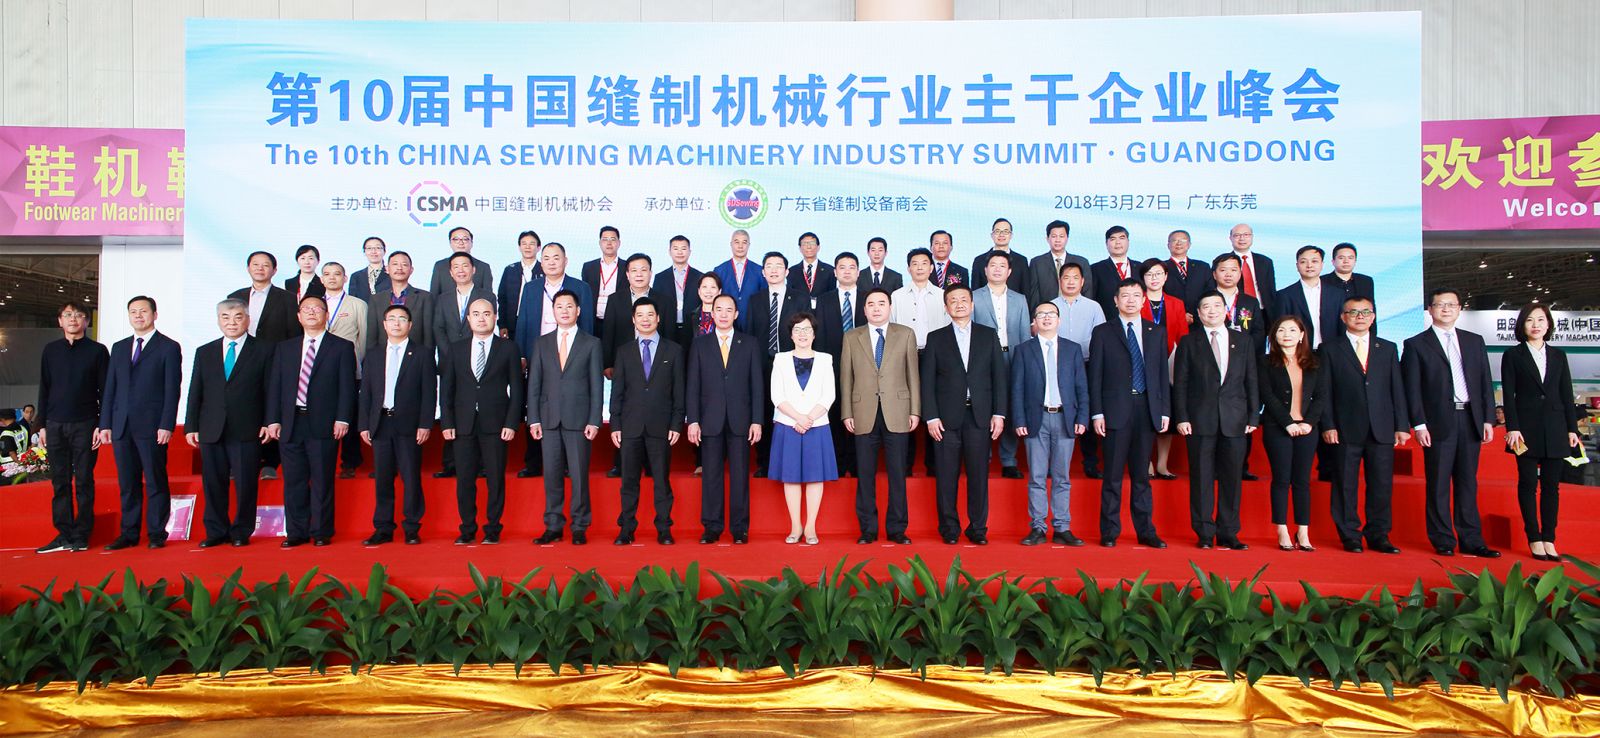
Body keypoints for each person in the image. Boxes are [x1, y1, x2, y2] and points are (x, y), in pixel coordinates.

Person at [1403, 288, 1500, 558]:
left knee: (1468, 482)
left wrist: (1488, 418)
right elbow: (1412, 389)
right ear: (1430, 310)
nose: (1445, 309)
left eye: (1451, 304)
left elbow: (1484, 381)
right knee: (1438, 483)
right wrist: (1419, 424)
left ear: (1459, 309)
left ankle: (1472, 540)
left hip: (1470, 418)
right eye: (1439, 305)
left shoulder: (1474, 341)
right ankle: (1443, 539)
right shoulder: (1416, 344)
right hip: (1437, 422)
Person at [265, 295, 357, 547]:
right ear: (298, 316)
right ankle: (296, 532)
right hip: (291, 422)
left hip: (324, 423)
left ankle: (321, 531)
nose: (312, 312)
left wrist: (343, 419)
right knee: (293, 481)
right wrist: (273, 419)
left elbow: (347, 387)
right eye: (306, 309)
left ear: (326, 315)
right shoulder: (285, 348)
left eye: (317, 308)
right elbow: (275, 386)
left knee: (322, 480)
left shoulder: (341, 347)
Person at [1320, 296, 1408, 554]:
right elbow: (1324, 391)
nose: (1360, 317)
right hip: (1345, 427)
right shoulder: (1329, 349)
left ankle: (1379, 535)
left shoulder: (1388, 348)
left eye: (1366, 312)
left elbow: (1397, 389)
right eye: (1354, 312)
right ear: (1343, 317)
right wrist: (1328, 424)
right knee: (1345, 484)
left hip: (1382, 426)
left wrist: (1402, 425)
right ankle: (1350, 535)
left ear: (1373, 317)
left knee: (1381, 485)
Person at [1172, 292, 1259, 550]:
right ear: (1199, 313)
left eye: (1217, 306)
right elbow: (1181, 383)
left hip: (1235, 419)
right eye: (1206, 307)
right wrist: (1182, 417)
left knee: (1232, 478)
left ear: (1226, 311)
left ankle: (1228, 532)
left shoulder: (1243, 341)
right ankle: (1204, 532)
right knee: (1201, 478)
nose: (1212, 311)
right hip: (1200, 419)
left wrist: (1254, 414)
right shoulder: (1189, 342)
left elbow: (1251, 380)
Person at [1089, 279, 1171, 548]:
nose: (1131, 300)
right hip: (1115, 411)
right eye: (1125, 295)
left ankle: (1146, 531)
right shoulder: (1103, 331)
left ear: (1144, 300)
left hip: (1146, 409)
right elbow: (1095, 375)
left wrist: (1164, 410)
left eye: (1136, 295)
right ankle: (1109, 532)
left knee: (1141, 477)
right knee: (1112, 477)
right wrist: (1097, 413)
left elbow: (1161, 374)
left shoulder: (1156, 331)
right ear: (1116, 301)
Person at [922, 285, 1006, 546]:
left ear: (972, 304)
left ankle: (978, 528)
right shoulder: (936, 338)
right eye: (953, 301)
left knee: (978, 476)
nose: (959, 304)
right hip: (945, 419)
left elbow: (999, 377)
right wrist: (931, 417)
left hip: (979, 416)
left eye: (963, 300)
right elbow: (927, 382)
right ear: (946, 308)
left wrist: (999, 413)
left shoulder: (988, 335)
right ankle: (949, 528)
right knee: (946, 477)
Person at [184, 299, 271, 548]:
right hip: (211, 427)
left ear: (247, 320)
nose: (231, 322)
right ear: (218, 320)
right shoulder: (205, 351)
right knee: (213, 483)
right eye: (225, 317)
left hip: (247, 427)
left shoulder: (264, 350)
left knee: (246, 483)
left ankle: (241, 531)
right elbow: (195, 391)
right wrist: (191, 426)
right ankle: (215, 531)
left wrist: (269, 421)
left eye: (237, 317)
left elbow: (270, 390)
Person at [98, 296, 182, 551]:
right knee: (127, 482)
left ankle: (156, 532)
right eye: (133, 312)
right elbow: (110, 388)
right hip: (121, 425)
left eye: (143, 311)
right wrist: (105, 423)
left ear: (154, 315)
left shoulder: (168, 347)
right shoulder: (119, 347)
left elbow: (172, 390)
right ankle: (129, 533)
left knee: (155, 480)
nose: (138, 316)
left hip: (152, 426)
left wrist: (166, 424)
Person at [1500, 303, 1581, 562]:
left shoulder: (1559, 355)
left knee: (1551, 487)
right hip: (1525, 429)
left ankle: (1549, 538)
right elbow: (1509, 396)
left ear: (1548, 324)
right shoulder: (1512, 355)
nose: (1536, 325)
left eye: (1541, 320)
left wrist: (1572, 429)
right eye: (1530, 320)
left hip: (1556, 427)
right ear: (1522, 325)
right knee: (1527, 484)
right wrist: (1512, 427)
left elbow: (1566, 393)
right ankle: (1534, 537)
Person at [439, 298, 523, 545]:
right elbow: (447, 390)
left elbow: (517, 389)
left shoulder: (508, 348)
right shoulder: (456, 349)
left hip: (496, 424)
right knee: (465, 479)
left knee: (495, 479)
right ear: (468, 319)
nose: (481, 318)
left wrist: (511, 423)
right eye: (476, 314)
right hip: (463, 424)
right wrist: (447, 422)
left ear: (495, 317)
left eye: (487, 313)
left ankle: (493, 528)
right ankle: (467, 528)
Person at [839, 288, 919, 545]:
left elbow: (913, 375)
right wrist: (846, 412)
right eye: (871, 304)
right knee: (865, 475)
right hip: (863, 412)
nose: (876, 308)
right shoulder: (852, 337)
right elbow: (846, 377)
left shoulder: (905, 334)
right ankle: (868, 529)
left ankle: (897, 529)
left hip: (897, 411)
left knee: (897, 474)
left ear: (890, 307)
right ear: (864, 310)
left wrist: (915, 410)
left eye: (881, 303)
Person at [686, 294, 764, 545]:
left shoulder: (749, 343)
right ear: (712, 314)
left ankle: (740, 529)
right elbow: (693, 385)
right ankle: (712, 527)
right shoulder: (700, 344)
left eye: (728, 310)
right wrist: (693, 420)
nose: (723, 314)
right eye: (718, 309)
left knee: (740, 477)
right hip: (710, 419)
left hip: (741, 420)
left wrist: (757, 420)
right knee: (711, 476)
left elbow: (757, 385)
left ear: (736, 314)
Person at [1011, 301, 1089, 547]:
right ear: (1034, 321)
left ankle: (1062, 527)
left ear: (1059, 320)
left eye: (1051, 314)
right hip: (1036, 418)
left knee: (1062, 476)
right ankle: (1038, 527)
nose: (1046, 318)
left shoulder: (1072, 349)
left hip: (1065, 418)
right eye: (1041, 314)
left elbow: (1081, 387)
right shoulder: (1024, 350)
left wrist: (1082, 417)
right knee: (1036, 476)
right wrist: (1019, 419)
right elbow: (1017, 388)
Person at [528, 291, 603, 546]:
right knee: (551, 475)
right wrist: (533, 419)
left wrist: (594, 420)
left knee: (579, 476)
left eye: (569, 306)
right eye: (559, 306)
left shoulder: (591, 343)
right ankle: (553, 525)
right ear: (553, 311)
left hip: (579, 420)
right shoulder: (541, 343)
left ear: (578, 311)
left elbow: (596, 386)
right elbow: (534, 383)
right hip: (548, 419)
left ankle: (580, 526)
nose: (564, 311)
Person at [33, 301, 109, 554]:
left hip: (86, 423)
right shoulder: (50, 350)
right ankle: (63, 534)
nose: (73, 319)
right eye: (67, 315)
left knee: (84, 480)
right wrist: (41, 424)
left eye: (78, 315)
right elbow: (44, 388)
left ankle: (82, 535)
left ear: (86, 321)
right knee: (60, 481)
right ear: (60, 321)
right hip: (54, 424)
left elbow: (105, 390)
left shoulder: (98, 351)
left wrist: (102, 423)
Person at [609, 298, 686, 545]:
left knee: (661, 481)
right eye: (640, 315)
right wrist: (615, 425)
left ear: (658, 318)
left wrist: (676, 424)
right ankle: (626, 529)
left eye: (650, 314)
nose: (645, 319)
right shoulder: (624, 351)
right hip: (630, 426)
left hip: (660, 426)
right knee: (628, 482)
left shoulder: (673, 350)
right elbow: (617, 392)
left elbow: (679, 392)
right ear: (633, 319)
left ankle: (664, 528)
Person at [358, 304, 435, 546]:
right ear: (384, 324)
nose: (396, 323)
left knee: (411, 477)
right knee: (382, 478)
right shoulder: (373, 354)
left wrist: (425, 424)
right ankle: (383, 528)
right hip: (381, 422)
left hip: (409, 425)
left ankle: (412, 527)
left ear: (410, 325)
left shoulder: (422, 354)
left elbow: (429, 393)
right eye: (391, 319)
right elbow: (366, 393)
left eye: (402, 319)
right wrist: (364, 424)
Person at [1259, 315, 1328, 552]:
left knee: (1302, 481)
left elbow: (1321, 397)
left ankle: (1303, 531)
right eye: (1281, 330)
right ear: (1274, 336)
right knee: (1281, 479)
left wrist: (1309, 423)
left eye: (1292, 330)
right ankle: (1282, 529)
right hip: (1278, 428)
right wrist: (1288, 423)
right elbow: (1267, 396)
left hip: (1307, 428)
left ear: (1301, 335)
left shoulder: (1315, 363)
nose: (1286, 334)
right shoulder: (1265, 362)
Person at [770, 312, 838, 544]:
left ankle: (810, 527)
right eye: (797, 330)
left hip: (816, 424)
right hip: (788, 424)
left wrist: (808, 418)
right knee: (790, 477)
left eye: (807, 329)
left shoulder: (825, 359)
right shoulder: (780, 359)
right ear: (791, 335)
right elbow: (777, 395)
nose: (802, 334)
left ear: (814, 334)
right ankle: (795, 526)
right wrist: (798, 418)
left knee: (815, 477)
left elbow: (828, 395)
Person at [433, 252, 497, 479]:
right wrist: (452, 356)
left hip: (478, 359)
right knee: (451, 406)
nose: (461, 270)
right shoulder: (442, 298)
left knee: (478, 409)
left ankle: (481, 463)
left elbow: (486, 325)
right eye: (456, 267)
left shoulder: (486, 296)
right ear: (450, 272)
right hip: (451, 361)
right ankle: (450, 463)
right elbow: (438, 328)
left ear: (473, 270)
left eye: (465, 266)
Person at [746, 251, 807, 477]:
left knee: (792, 411)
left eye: (778, 265)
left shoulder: (799, 298)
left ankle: (792, 461)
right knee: (763, 411)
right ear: (763, 272)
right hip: (762, 364)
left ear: (787, 271)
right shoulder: (755, 299)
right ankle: (765, 462)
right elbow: (750, 334)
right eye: (769, 266)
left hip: (792, 363)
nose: (774, 270)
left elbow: (807, 332)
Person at [972, 250, 1030, 478]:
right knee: (983, 405)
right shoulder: (974, 297)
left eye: (1002, 265)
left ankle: (1008, 460)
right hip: (983, 360)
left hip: (1012, 356)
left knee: (1010, 405)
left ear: (1009, 271)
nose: (997, 269)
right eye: (993, 265)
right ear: (985, 270)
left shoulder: (1020, 299)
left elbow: (1025, 335)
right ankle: (982, 458)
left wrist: (1024, 362)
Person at [892, 247, 949, 477]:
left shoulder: (943, 295)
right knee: (904, 406)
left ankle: (934, 464)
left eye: (924, 263)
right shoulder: (896, 296)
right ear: (908, 268)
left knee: (933, 404)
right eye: (915, 264)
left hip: (935, 356)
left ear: (931, 267)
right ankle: (905, 464)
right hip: (904, 356)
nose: (919, 268)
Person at [1052, 261, 1106, 479]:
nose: (1071, 282)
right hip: (1056, 365)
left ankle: (1090, 462)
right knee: (1058, 410)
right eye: (1066, 277)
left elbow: (1100, 338)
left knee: (1086, 408)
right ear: (1059, 281)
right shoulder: (1051, 306)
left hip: (1087, 364)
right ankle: (1054, 464)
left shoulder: (1094, 307)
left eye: (1075, 277)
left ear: (1083, 282)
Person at [815, 252, 866, 477]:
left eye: (851, 267)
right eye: (842, 267)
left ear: (858, 272)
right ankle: (837, 462)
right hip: (833, 366)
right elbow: (820, 337)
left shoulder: (868, 298)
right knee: (835, 413)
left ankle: (856, 464)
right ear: (835, 272)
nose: (847, 271)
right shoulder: (824, 300)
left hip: (864, 366)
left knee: (861, 413)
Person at [1139, 258, 1187, 480]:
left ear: (1166, 277)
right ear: (1143, 278)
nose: (1154, 278)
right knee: (1145, 414)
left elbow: (1183, 336)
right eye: (1149, 274)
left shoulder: (1176, 303)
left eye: (1158, 274)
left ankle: (1162, 464)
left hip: (1170, 362)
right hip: (1143, 362)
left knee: (1166, 414)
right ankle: (1146, 462)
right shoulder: (1137, 300)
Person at [320, 262, 368, 478]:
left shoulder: (357, 304)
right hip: (318, 369)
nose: (332, 278)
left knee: (349, 413)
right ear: (321, 279)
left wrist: (357, 362)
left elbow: (363, 338)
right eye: (327, 274)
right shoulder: (313, 304)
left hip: (349, 368)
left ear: (345, 278)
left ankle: (350, 461)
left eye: (337, 274)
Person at [1276, 245, 1344, 350]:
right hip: (1298, 351)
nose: (1309, 265)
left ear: (1322, 264)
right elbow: (1280, 327)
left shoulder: (1337, 294)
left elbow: (1342, 327)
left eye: (1314, 261)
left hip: (1332, 351)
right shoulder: (1285, 295)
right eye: (1303, 262)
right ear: (1297, 266)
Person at [229, 250, 302, 345]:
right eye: (255, 264)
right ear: (248, 268)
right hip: (242, 350)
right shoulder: (235, 297)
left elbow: (294, 333)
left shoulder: (288, 298)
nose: (260, 268)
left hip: (274, 351)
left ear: (274, 271)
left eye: (265, 265)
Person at [365, 250, 433, 352]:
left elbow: (429, 335)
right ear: (387, 269)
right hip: (383, 355)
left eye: (404, 264)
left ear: (411, 270)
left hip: (415, 355)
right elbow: (371, 334)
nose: (399, 268)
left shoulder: (425, 297)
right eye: (395, 264)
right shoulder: (376, 299)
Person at [1212, 223, 1276, 318]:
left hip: (1263, 312)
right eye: (1237, 235)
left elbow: (1270, 290)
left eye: (1246, 235)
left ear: (1252, 237)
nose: (1242, 238)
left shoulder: (1265, 261)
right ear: (1230, 238)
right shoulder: (1223, 261)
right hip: (1234, 311)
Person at [652, 235, 703, 352]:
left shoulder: (699, 276)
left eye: (683, 248)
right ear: (669, 252)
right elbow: (656, 305)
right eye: (675, 248)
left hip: (692, 329)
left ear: (689, 252)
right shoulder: (660, 278)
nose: (680, 252)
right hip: (667, 329)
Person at [1026, 219, 1091, 310]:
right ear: (1047, 239)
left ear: (1067, 238)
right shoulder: (1037, 263)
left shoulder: (1082, 262)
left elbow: (1087, 292)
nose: (1057, 240)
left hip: (1076, 311)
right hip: (1047, 314)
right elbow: (1034, 296)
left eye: (1061, 236)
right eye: (1054, 236)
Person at [497, 229, 544, 339]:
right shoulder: (510, 270)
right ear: (519, 247)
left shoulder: (544, 269)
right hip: (513, 323)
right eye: (524, 244)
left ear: (538, 248)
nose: (527, 247)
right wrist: (502, 325)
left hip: (538, 322)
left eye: (532, 244)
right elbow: (502, 299)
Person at [1089, 225, 1142, 321]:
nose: (1118, 242)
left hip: (1138, 322)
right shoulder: (1095, 269)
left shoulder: (1140, 267)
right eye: (1113, 239)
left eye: (1122, 238)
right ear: (1106, 244)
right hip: (1107, 323)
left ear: (1128, 242)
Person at [581, 226, 625, 339]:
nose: (609, 243)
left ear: (619, 243)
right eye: (605, 239)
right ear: (600, 243)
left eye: (613, 239)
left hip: (618, 322)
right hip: (593, 321)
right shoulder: (588, 267)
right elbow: (584, 296)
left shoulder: (626, 267)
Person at [713, 229, 763, 324]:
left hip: (752, 322)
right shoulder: (719, 270)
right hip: (725, 322)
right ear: (731, 244)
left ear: (749, 245)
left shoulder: (759, 271)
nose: (740, 246)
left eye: (744, 242)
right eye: (737, 242)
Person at [428, 226, 493, 298]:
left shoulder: (483, 267)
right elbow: (434, 295)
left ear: (471, 243)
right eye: (456, 239)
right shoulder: (440, 266)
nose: (461, 242)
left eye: (465, 239)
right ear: (450, 243)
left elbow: (488, 297)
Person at [1163, 229, 1209, 320]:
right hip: (1170, 319)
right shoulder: (1161, 267)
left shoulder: (1203, 267)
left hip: (1200, 319)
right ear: (1168, 245)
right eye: (1174, 240)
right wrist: (1179, 315)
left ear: (1189, 244)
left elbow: (1209, 292)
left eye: (1183, 240)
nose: (1179, 243)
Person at [975, 218, 1028, 294]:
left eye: (1006, 231)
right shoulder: (979, 260)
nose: (1001, 235)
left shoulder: (1021, 261)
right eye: (997, 231)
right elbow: (975, 291)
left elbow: (1025, 290)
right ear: (992, 235)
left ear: (1011, 235)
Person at [788, 231, 835, 308]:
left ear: (818, 247)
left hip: (823, 311)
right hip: (799, 311)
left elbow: (832, 295)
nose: (809, 247)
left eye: (812, 243)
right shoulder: (792, 271)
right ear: (800, 248)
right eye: (805, 244)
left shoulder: (829, 270)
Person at [348, 236, 390, 302]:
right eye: (369, 248)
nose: (373, 251)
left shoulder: (392, 274)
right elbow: (353, 301)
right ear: (364, 252)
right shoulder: (356, 276)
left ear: (384, 251)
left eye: (378, 248)